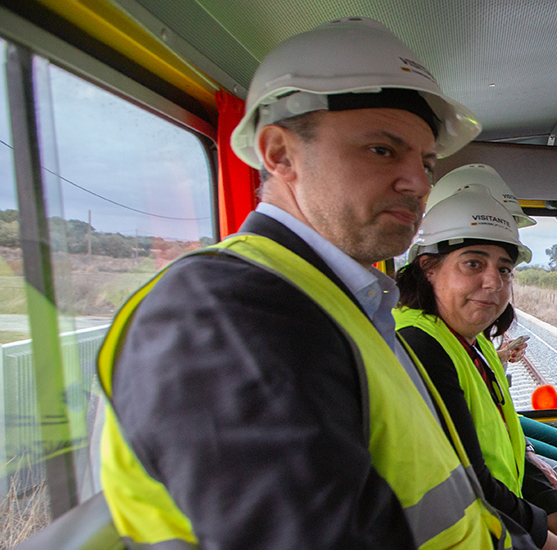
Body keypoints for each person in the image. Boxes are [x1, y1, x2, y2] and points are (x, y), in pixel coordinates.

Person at [94, 18, 512, 549]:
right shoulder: (227, 314)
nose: (419, 183)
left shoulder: (347, 304)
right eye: (382, 150)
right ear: (279, 154)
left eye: (425, 161)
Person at [394, 187, 557, 550]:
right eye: (473, 263)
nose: (494, 282)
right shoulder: (420, 347)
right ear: (429, 268)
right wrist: (551, 542)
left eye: (504, 269)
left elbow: (505, 442)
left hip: (492, 513)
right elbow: (467, 481)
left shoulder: (472, 340)